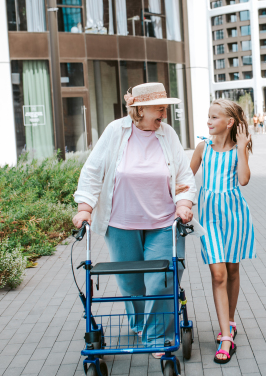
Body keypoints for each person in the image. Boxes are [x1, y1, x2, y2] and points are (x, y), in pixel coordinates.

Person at [72, 82, 197, 357]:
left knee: (161, 279)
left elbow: (185, 177)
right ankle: (140, 324)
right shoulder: (116, 131)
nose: (164, 114)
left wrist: (184, 204)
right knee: (131, 283)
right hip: (120, 223)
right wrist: (85, 208)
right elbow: (93, 171)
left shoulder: (168, 134)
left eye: (165, 108)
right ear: (139, 109)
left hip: (164, 221)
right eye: (159, 108)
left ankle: (155, 337)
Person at [190, 99, 256, 364]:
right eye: (208, 116)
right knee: (218, 274)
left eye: (214, 117)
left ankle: (228, 321)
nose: (208, 121)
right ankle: (226, 337)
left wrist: (242, 149)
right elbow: (186, 179)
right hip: (210, 220)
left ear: (229, 123)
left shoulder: (239, 149)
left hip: (234, 217)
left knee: (232, 270)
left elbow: (243, 180)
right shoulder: (202, 148)